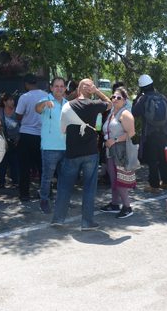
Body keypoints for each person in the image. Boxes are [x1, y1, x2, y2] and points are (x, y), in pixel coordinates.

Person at [51, 78, 111, 231]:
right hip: (90, 152)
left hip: (72, 152)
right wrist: (97, 91)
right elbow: (110, 104)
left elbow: (62, 129)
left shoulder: (67, 106)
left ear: (78, 90)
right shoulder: (94, 105)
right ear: (90, 90)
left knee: (64, 186)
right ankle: (87, 222)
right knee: (89, 188)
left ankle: (58, 219)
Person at [132, 74, 167, 191]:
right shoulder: (163, 97)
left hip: (150, 134)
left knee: (152, 160)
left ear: (142, 87)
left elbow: (134, 112)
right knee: (164, 158)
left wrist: (138, 97)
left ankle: (154, 185)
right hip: (165, 133)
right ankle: (166, 182)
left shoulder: (144, 98)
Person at [99, 87, 136, 219]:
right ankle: (115, 204)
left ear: (124, 100)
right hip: (110, 150)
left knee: (120, 180)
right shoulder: (112, 112)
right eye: (113, 97)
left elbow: (131, 133)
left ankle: (127, 206)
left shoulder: (125, 113)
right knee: (113, 178)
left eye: (118, 98)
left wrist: (114, 140)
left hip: (120, 151)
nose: (115, 99)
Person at [35, 77, 68, 214]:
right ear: (51, 87)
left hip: (65, 147)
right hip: (49, 147)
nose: (59, 88)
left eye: (61, 86)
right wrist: (45, 103)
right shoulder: (45, 100)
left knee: (64, 177)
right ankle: (44, 200)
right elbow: (37, 109)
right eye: (56, 86)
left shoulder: (67, 104)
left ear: (65, 88)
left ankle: (61, 201)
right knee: (47, 177)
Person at [15, 74, 48, 201]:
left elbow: (18, 115)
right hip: (42, 134)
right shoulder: (45, 96)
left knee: (24, 166)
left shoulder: (24, 97)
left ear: (26, 84)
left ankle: (24, 194)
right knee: (42, 165)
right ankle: (45, 192)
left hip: (26, 133)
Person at [0, 93, 20, 188]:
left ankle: (15, 182)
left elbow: (21, 124)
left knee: (15, 161)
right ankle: (1, 182)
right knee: (2, 162)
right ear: (4, 102)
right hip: (3, 140)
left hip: (15, 139)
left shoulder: (17, 110)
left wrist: (18, 138)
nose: (12, 102)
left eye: (13, 100)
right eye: (9, 100)